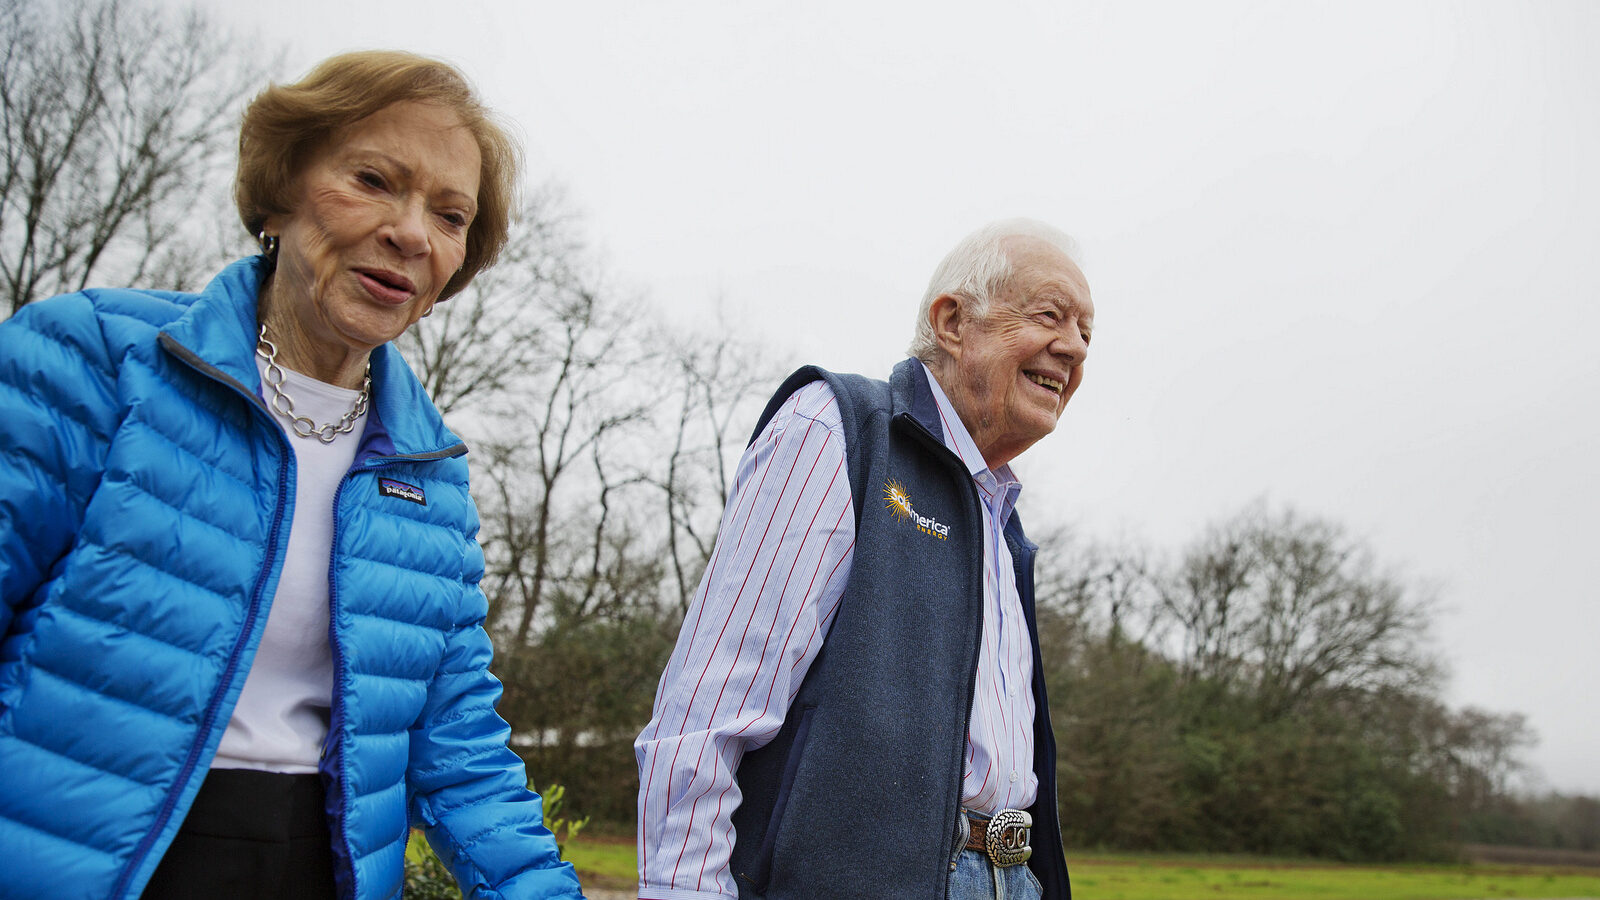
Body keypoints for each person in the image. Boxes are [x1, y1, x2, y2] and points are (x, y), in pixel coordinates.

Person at [0, 51, 583, 900]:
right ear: (278, 192)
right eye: (376, 180)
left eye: (451, 215)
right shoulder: (89, 359)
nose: (413, 233)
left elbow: (456, 748)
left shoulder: (430, 479)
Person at [634, 219, 1094, 899]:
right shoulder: (836, 429)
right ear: (952, 320)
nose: (1074, 348)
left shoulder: (1005, 526)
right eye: (1051, 316)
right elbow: (706, 713)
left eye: (1087, 333)